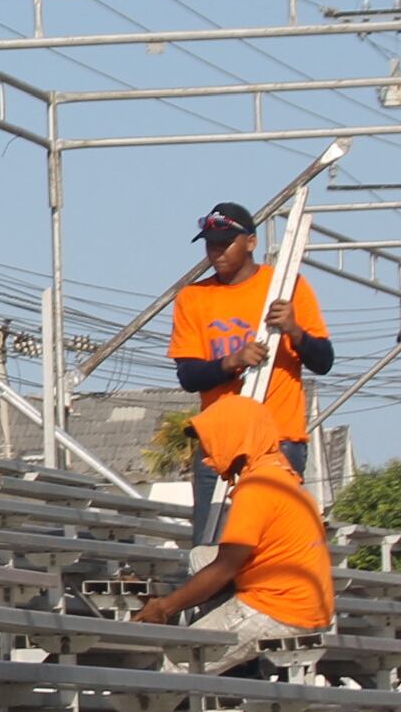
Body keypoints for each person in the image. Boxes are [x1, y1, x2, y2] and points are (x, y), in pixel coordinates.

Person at [131, 391, 335, 670]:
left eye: (210, 444)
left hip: (278, 610)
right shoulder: (281, 476)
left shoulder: (258, 488)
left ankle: (154, 707)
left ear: (234, 437)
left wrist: (165, 607)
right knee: (201, 556)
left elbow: (225, 568)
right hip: (305, 606)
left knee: (173, 661)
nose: (206, 458)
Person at [169, 200, 335, 535]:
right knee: (210, 545)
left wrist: (294, 330)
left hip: (278, 439)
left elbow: (324, 360)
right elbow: (188, 376)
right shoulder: (193, 298)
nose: (217, 252)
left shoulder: (288, 287)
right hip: (220, 443)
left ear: (251, 242)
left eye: (225, 243)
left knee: (270, 541)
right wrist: (232, 362)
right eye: (211, 245)